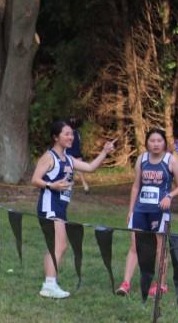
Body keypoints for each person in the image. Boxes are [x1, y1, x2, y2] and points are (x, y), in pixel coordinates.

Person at [31, 121, 116, 299]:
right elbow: (35, 179)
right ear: (56, 137)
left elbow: (90, 168)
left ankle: (48, 284)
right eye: (66, 134)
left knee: (55, 246)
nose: (71, 137)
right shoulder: (49, 157)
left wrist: (104, 152)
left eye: (72, 134)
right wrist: (52, 185)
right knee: (60, 245)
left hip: (61, 207)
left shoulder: (69, 159)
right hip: (50, 206)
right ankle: (50, 285)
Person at [116, 128, 178, 297]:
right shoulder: (142, 159)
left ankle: (161, 285)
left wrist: (169, 196)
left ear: (165, 143)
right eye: (152, 141)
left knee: (159, 248)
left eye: (159, 141)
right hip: (141, 210)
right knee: (135, 245)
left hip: (159, 211)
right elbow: (136, 186)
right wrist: (131, 210)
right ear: (147, 142)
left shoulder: (171, 161)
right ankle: (125, 284)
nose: (156, 144)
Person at [66, 116, 90, 193]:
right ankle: (85, 185)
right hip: (77, 153)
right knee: (80, 170)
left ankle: (68, 186)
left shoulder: (67, 134)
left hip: (68, 154)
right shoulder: (77, 133)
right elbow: (79, 142)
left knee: (68, 170)